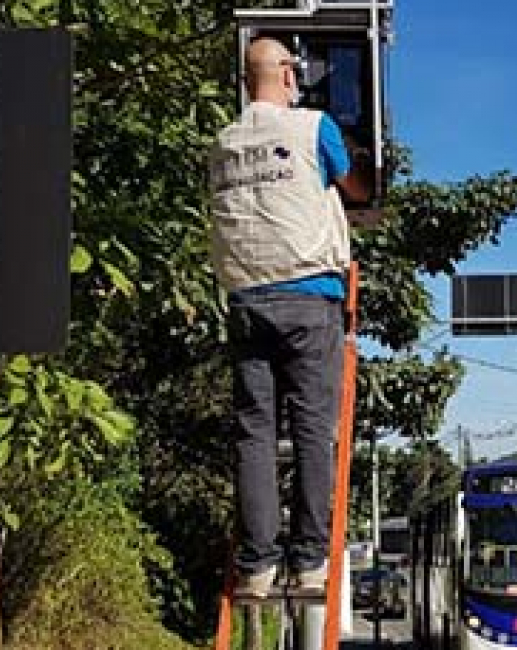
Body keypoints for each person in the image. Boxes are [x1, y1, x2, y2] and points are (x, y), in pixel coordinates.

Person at [207, 36, 370, 598]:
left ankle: (255, 567)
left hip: (247, 300)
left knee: (254, 434)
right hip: (308, 298)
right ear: (284, 75)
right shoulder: (312, 126)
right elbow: (351, 182)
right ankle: (308, 562)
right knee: (311, 433)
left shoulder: (223, 142)